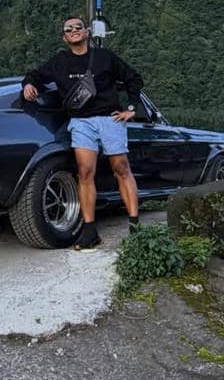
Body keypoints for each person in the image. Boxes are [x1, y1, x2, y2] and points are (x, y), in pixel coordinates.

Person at [21, 16, 144, 250]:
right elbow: (34, 75)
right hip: (81, 123)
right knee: (85, 173)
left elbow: (133, 78)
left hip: (110, 119)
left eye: (79, 27)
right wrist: (28, 84)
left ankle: (135, 226)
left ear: (86, 32)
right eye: (69, 29)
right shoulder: (59, 62)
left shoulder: (105, 57)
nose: (74, 31)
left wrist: (131, 108)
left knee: (121, 169)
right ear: (64, 37)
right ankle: (89, 231)